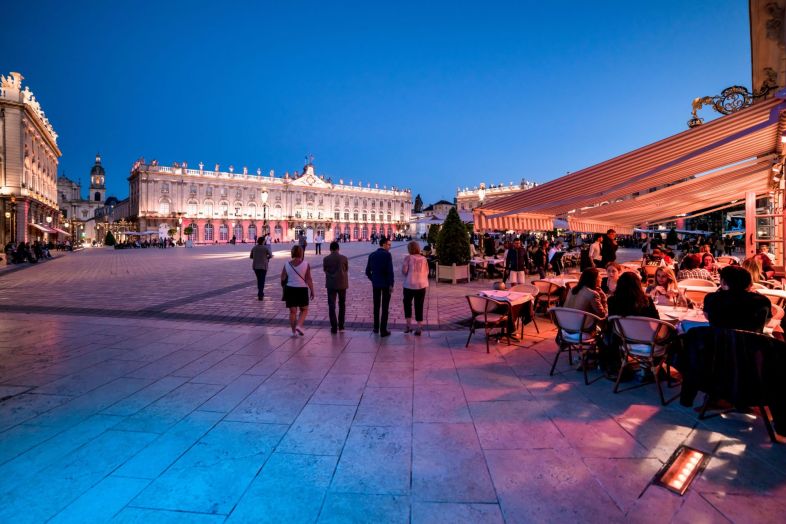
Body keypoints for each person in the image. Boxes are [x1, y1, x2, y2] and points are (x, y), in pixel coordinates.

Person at [704, 265, 771, 332]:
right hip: (751, 338)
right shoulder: (763, 301)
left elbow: (707, 317)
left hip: (718, 338)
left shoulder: (711, 298)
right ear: (749, 283)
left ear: (723, 282)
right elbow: (766, 322)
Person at [281, 245, 315, 336]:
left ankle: (293, 332)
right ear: (301, 253)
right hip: (302, 289)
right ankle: (299, 325)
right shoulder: (306, 264)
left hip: (290, 289)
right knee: (304, 309)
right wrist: (312, 290)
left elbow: (283, 278)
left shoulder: (287, 264)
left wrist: (284, 286)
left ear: (292, 253)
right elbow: (308, 279)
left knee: (292, 312)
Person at [365, 236, 394, 337]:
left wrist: (373, 279)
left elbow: (367, 271)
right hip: (386, 284)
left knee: (376, 306)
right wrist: (391, 284)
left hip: (376, 284)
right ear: (384, 245)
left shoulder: (372, 255)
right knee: (385, 307)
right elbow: (390, 271)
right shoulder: (387, 255)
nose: (390, 247)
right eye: (389, 245)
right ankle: (383, 330)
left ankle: (376, 327)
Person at [402, 240, 429, 335]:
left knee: (407, 304)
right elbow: (427, 272)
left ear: (410, 249)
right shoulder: (424, 259)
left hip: (409, 285)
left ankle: (408, 326)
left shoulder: (408, 258)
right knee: (419, 305)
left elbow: (404, 271)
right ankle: (419, 327)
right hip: (421, 285)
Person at [323, 241, 348, 333]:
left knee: (331, 305)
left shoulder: (326, 259)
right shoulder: (344, 258)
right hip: (342, 283)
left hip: (331, 284)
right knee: (342, 304)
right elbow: (346, 269)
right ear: (338, 249)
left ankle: (334, 327)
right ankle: (341, 326)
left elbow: (325, 270)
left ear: (330, 249)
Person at [250, 235, 273, 300]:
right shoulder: (265, 248)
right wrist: (267, 258)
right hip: (263, 266)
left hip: (256, 266)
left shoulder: (254, 248)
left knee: (259, 279)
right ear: (263, 241)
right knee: (262, 280)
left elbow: (251, 256)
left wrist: (256, 257)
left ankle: (260, 292)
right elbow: (270, 255)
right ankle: (260, 294)